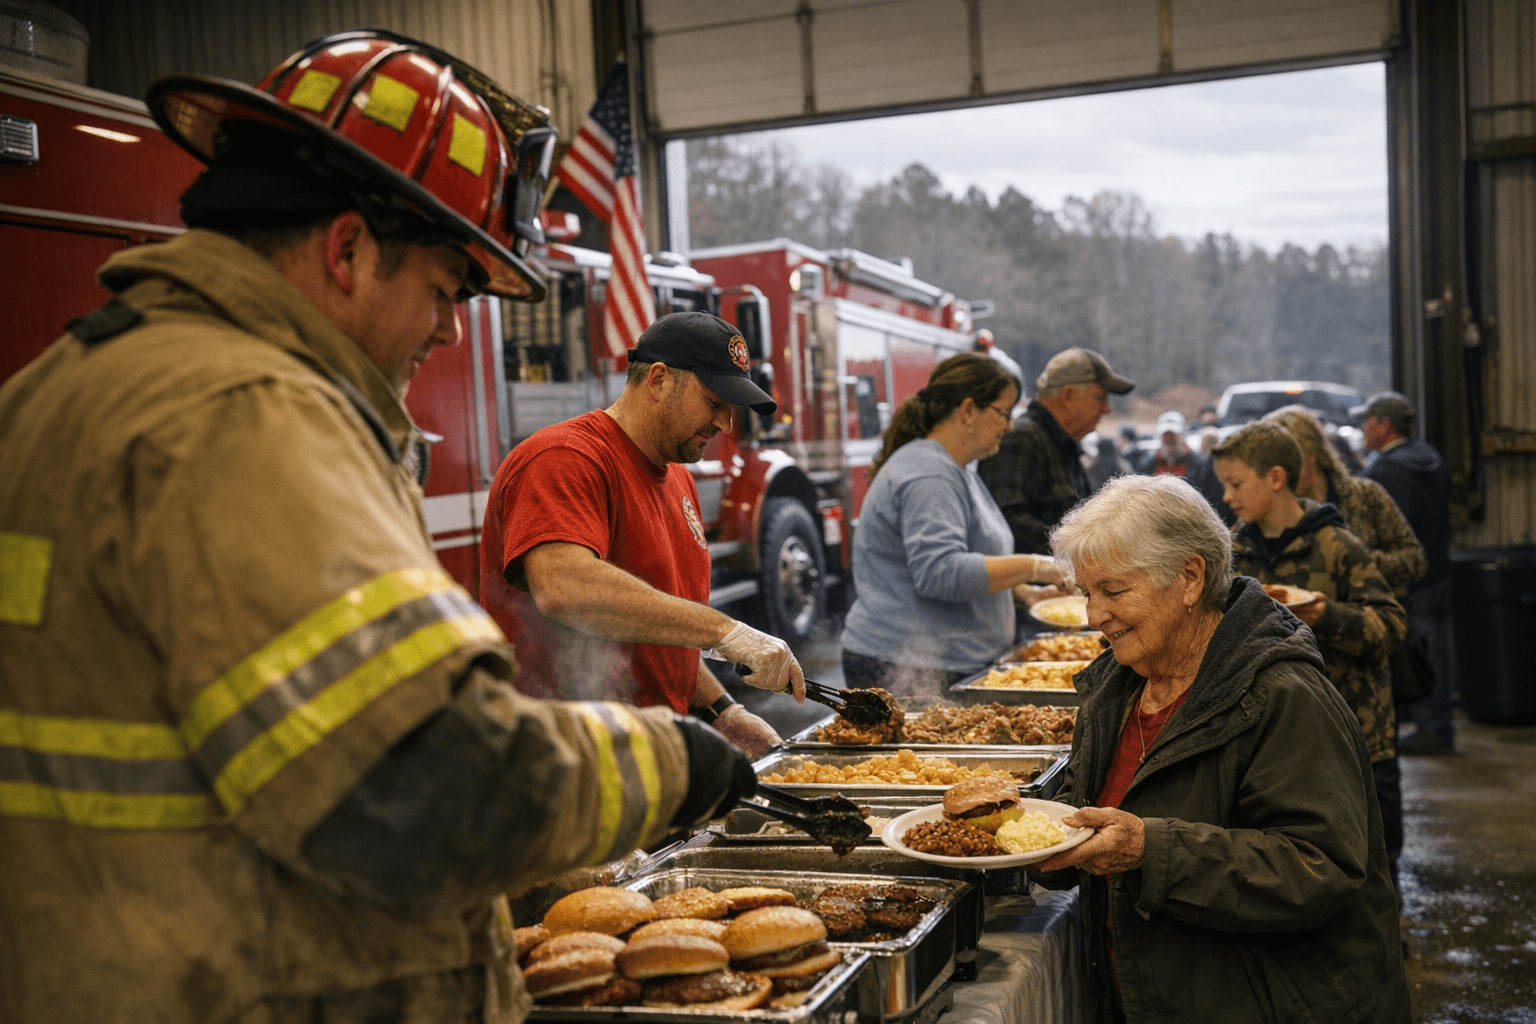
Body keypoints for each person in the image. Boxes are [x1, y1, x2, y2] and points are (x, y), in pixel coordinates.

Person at [0, 31, 756, 1024]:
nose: (448, 331)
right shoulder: (245, 416)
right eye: (444, 290)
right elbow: (426, 787)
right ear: (348, 248)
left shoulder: (55, 391)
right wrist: (668, 760)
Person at [1035, 474, 1411, 1024]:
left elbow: (1319, 866)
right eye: (1086, 593)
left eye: (1113, 591)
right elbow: (1091, 814)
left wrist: (1149, 850)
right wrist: (1033, 841)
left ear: (1190, 577)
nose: (1094, 616)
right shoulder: (1116, 688)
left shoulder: (1283, 696)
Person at [479, 311, 804, 759]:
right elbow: (564, 587)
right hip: (559, 758)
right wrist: (724, 631)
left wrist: (722, 711)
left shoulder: (678, 478)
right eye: (715, 402)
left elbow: (654, 630)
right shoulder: (565, 458)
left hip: (646, 757)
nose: (726, 425)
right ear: (657, 380)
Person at [1212, 422, 1408, 887]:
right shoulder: (1233, 551)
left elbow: (1391, 625)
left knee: (1372, 860)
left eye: (1235, 484)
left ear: (1276, 478)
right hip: (1274, 735)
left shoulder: (1337, 545)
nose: (1226, 497)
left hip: (1356, 730)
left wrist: (1326, 615)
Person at [839, 353, 1069, 694]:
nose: (1008, 426)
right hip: (908, 665)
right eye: (1004, 412)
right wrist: (1037, 567)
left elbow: (970, 556)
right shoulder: (930, 473)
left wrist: (1023, 594)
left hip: (943, 661)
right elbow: (939, 572)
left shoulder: (956, 469)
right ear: (968, 410)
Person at [1354, 390, 1456, 755]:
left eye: (1367, 421)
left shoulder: (1384, 469)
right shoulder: (1431, 458)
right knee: (1438, 651)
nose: (1362, 429)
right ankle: (1438, 724)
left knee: (1414, 654)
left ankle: (1430, 729)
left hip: (1406, 580)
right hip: (1438, 573)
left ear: (1384, 425)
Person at [978, 347, 1136, 556]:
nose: (1106, 408)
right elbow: (1004, 522)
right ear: (1068, 395)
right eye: (1100, 397)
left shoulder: (1061, 444)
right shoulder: (1021, 439)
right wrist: (1083, 548)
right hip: (1032, 586)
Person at [1263, 404, 1426, 596]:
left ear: (1313, 455)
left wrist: (1357, 561)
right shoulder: (1269, 507)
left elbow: (1415, 561)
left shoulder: (1365, 495)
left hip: (1373, 618)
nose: (1280, 477)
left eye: (1288, 465)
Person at [1148, 409, 1227, 519]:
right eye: (1166, 436)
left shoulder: (1202, 465)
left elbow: (1214, 502)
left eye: (1173, 436)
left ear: (1183, 435)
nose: (1169, 440)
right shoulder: (1147, 465)